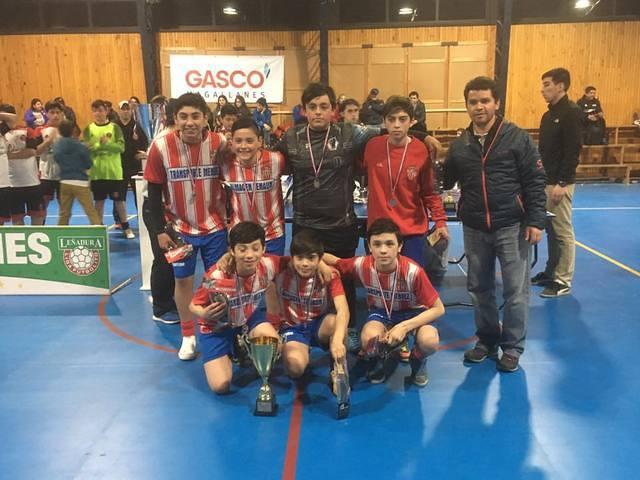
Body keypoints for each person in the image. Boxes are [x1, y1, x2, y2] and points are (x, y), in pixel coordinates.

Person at [443, 76, 546, 373]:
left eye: (485, 101)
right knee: (479, 287)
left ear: (496, 103)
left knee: (516, 290)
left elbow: (535, 180)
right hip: (475, 227)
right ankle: (487, 340)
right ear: (466, 105)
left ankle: (512, 347)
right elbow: (446, 179)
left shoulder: (517, 137)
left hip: (512, 226)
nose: (479, 107)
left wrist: (536, 220)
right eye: (473, 102)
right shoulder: (460, 144)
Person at [144, 92, 229, 361]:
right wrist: (159, 230)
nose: (190, 122)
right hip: (179, 230)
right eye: (183, 116)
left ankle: (217, 329)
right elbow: (153, 192)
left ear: (205, 118)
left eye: (195, 116)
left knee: (218, 282)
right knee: (183, 282)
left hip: (215, 227)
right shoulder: (160, 146)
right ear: (175, 119)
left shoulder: (219, 143)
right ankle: (188, 335)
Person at [323, 218, 445, 386]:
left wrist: (404, 327)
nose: (383, 250)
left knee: (429, 341)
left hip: (414, 313)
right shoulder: (362, 265)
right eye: (377, 244)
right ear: (369, 246)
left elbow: (439, 309)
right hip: (382, 313)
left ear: (399, 246)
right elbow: (334, 260)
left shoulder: (413, 272)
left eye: (389, 244)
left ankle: (417, 359)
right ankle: (377, 358)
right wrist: (317, 261)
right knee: (368, 338)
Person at [189, 222, 283, 394]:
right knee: (221, 386)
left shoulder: (269, 264)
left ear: (263, 249)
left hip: (247, 318)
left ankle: (243, 344)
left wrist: (322, 264)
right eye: (242, 249)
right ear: (232, 250)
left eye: (255, 248)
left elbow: (299, 261)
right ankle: (231, 348)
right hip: (217, 327)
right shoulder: (216, 275)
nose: (249, 255)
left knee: (274, 345)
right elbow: (193, 305)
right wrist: (204, 313)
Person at [362, 95, 448, 269]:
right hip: (379, 231)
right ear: (384, 121)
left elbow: (429, 191)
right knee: (380, 281)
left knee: (411, 280)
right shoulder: (372, 146)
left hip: (412, 230)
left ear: (411, 121)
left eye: (402, 119)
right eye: (391, 119)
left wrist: (440, 221)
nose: (396, 125)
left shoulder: (421, 150)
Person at [533, 67, 582, 298]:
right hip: (546, 180)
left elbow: (573, 150)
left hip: (560, 183)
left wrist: (563, 182)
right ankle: (551, 272)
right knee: (551, 230)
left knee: (562, 232)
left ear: (561, 86)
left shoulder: (571, 112)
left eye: (547, 84)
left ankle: (563, 280)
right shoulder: (548, 115)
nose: (542, 90)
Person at [275, 230, 348, 381]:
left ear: (320, 259)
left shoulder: (330, 275)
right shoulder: (280, 267)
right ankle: (299, 349)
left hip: (318, 325)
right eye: (299, 258)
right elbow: (256, 258)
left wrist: (337, 338)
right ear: (292, 257)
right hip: (292, 327)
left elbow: (343, 309)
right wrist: (227, 256)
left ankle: (338, 370)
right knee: (295, 369)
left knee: (337, 324)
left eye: (311, 258)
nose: (305, 263)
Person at [220, 117, 286, 255]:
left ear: (260, 141)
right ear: (232, 142)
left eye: (249, 141)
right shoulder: (225, 164)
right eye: (238, 141)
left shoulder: (276, 160)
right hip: (241, 236)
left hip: (272, 235)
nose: (244, 146)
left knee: (271, 269)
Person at [141, 97, 179, 325]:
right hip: (157, 206)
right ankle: (161, 308)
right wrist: (158, 227)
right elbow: (154, 187)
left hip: (174, 207)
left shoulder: (184, 140)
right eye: (184, 116)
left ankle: (169, 299)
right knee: (164, 258)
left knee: (175, 258)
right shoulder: (162, 141)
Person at [83, 100, 132, 238]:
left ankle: (126, 228)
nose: (98, 113)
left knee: (120, 201)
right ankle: (98, 228)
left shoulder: (115, 128)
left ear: (106, 111)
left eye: (100, 110)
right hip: (97, 173)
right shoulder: (88, 129)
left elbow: (121, 148)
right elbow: (87, 149)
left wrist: (107, 144)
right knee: (99, 202)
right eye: (95, 111)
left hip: (114, 172)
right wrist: (99, 145)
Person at [2, 104, 46, 226]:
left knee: (38, 218)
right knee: (17, 221)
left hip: (32, 182)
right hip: (12, 185)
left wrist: (8, 155)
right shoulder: (1, 134)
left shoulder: (26, 131)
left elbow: (32, 151)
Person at [54, 119, 101, 225]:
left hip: (65, 181)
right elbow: (88, 163)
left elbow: (56, 158)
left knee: (64, 213)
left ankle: (61, 232)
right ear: (72, 131)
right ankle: (97, 231)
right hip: (80, 181)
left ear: (59, 131)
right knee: (90, 211)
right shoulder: (80, 146)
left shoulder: (57, 145)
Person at [115, 100, 149, 207]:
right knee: (119, 196)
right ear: (118, 111)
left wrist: (142, 153)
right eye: (123, 109)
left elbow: (145, 143)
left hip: (135, 166)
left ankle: (141, 215)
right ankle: (118, 217)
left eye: (127, 109)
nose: (125, 111)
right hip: (119, 166)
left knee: (139, 195)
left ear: (131, 111)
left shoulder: (137, 126)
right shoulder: (114, 127)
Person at [38, 100, 66, 216]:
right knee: (43, 204)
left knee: (64, 205)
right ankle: (41, 225)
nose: (55, 115)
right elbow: (36, 151)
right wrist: (48, 141)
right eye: (52, 112)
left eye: (58, 112)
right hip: (46, 174)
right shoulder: (40, 130)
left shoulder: (68, 130)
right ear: (46, 113)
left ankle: (64, 227)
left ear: (62, 113)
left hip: (64, 174)